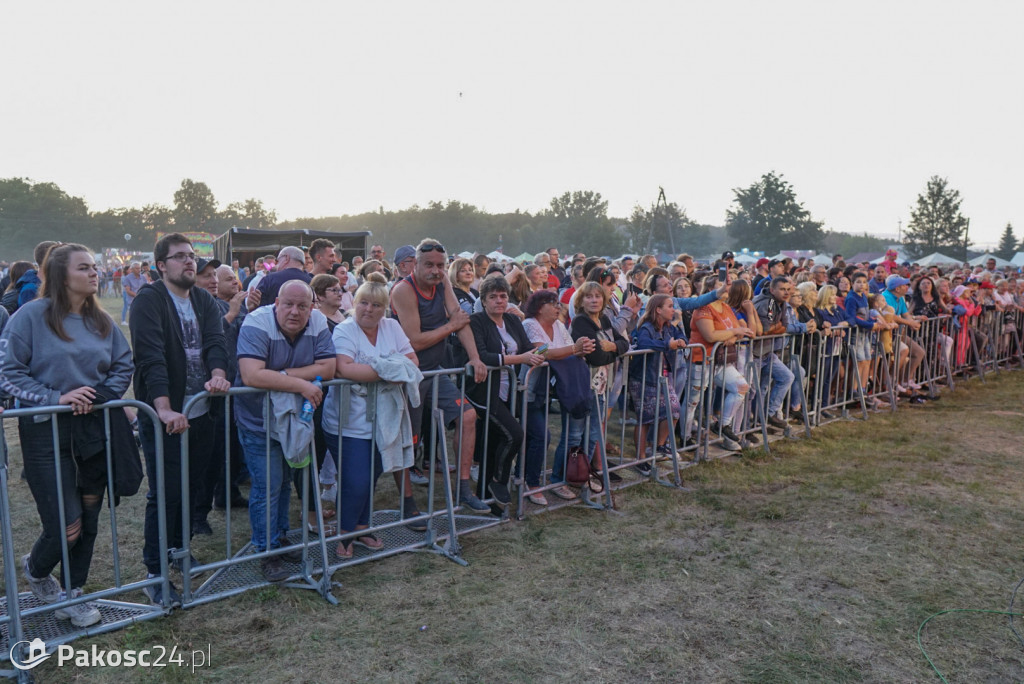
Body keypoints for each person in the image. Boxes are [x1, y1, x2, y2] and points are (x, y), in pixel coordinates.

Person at [0, 244, 133, 627]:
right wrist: (56, 398)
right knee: (66, 523)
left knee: (89, 517)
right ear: (61, 276)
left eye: (94, 267)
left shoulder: (102, 321)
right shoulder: (30, 316)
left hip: (91, 429)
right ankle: (38, 572)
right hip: (45, 431)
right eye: (85, 268)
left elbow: (123, 366)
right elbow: (8, 373)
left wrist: (98, 398)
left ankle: (73, 593)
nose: (95, 273)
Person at [130, 233, 232, 606]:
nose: (189, 262)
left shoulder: (204, 299)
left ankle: (179, 550)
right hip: (165, 414)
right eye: (179, 257)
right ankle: (155, 571)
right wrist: (162, 407)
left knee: (192, 488)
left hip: (201, 410)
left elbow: (215, 342)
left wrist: (219, 373)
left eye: (192, 256)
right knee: (166, 492)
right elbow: (150, 356)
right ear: (161, 265)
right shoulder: (149, 300)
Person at [235, 280, 336, 581]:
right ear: (276, 302)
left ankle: (278, 539)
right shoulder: (256, 322)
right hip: (258, 421)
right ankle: (266, 551)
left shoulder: (318, 322)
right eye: (288, 304)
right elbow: (251, 375)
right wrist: (302, 383)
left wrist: (279, 375)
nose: (295, 311)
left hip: (293, 421)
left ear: (312, 307)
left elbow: (329, 368)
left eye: (302, 306)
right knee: (267, 485)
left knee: (281, 485)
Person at [390, 239, 490, 513]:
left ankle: (463, 489)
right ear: (414, 265)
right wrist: (451, 326)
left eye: (440, 265)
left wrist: (475, 357)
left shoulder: (443, 282)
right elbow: (414, 341)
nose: (436, 271)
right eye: (429, 265)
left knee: (468, 415)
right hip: (407, 375)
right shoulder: (403, 290)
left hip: (435, 371)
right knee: (407, 438)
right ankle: (407, 504)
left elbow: (461, 321)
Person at [322, 277, 417, 557]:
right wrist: (390, 370)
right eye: (363, 302)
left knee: (372, 475)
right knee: (356, 479)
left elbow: (412, 362)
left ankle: (362, 526)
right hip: (346, 421)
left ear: (385, 308)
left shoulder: (392, 326)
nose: (369, 309)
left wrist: (378, 370)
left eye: (376, 304)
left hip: (383, 420)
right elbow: (344, 369)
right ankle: (345, 533)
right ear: (355, 303)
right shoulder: (345, 330)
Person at [467, 277, 543, 509]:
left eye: (503, 296)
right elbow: (482, 356)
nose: (499, 301)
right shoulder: (476, 321)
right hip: (484, 391)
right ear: (484, 300)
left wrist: (542, 352)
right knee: (514, 434)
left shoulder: (511, 319)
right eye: (493, 297)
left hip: (509, 390)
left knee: (495, 440)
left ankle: (486, 497)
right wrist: (520, 358)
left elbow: (527, 347)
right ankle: (499, 481)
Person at [552, 282, 629, 489]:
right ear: (581, 301)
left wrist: (612, 346)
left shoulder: (604, 319)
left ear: (604, 300)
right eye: (589, 297)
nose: (594, 300)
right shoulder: (580, 322)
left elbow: (624, 343)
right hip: (581, 387)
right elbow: (596, 357)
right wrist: (614, 351)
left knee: (594, 432)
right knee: (574, 434)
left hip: (602, 386)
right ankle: (559, 479)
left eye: (597, 296)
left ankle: (582, 473)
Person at [521, 290, 595, 503]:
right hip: (530, 388)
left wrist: (582, 348)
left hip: (553, 389)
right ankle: (530, 482)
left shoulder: (559, 326)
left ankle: (530, 479)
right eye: (552, 303)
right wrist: (574, 348)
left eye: (557, 303)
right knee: (539, 437)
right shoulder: (529, 325)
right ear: (538, 306)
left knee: (541, 437)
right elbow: (542, 351)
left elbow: (568, 350)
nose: (558, 307)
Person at [686, 274, 755, 451]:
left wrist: (732, 334)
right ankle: (685, 437)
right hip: (701, 361)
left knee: (741, 387)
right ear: (711, 289)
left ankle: (722, 425)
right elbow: (710, 335)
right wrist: (733, 332)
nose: (728, 288)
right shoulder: (703, 308)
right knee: (692, 403)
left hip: (721, 361)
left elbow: (743, 333)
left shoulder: (726, 307)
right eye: (723, 285)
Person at [629, 294, 687, 467]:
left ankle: (660, 446)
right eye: (669, 306)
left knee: (674, 410)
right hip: (644, 378)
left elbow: (682, 336)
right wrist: (667, 345)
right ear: (658, 310)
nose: (673, 309)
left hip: (663, 377)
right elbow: (645, 343)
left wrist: (681, 341)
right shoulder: (646, 326)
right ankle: (640, 458)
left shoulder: (668, 326)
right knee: (645, 418)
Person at [752, 277, 815, 428]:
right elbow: (766, 330)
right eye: (782, 289)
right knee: (756, 390)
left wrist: (779, 327)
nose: (786, 292)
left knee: (786, 377)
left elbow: (784, 326)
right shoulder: (767, 303)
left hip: (769, 352)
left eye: (788, 289)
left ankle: (768, 415)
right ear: (772, 290)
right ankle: (753, 423)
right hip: (756, 353)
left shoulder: (780, 303)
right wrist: (783, 328)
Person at [121, 261, 147, 326]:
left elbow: (146, 288)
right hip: (132, 301)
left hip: (142, 301)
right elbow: (128, 291)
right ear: (132, 269)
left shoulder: (143, 277)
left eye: (139, 268)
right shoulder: (127, 278)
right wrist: (138, 296)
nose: (139, 270)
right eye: (136, 268)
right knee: (134, 320)